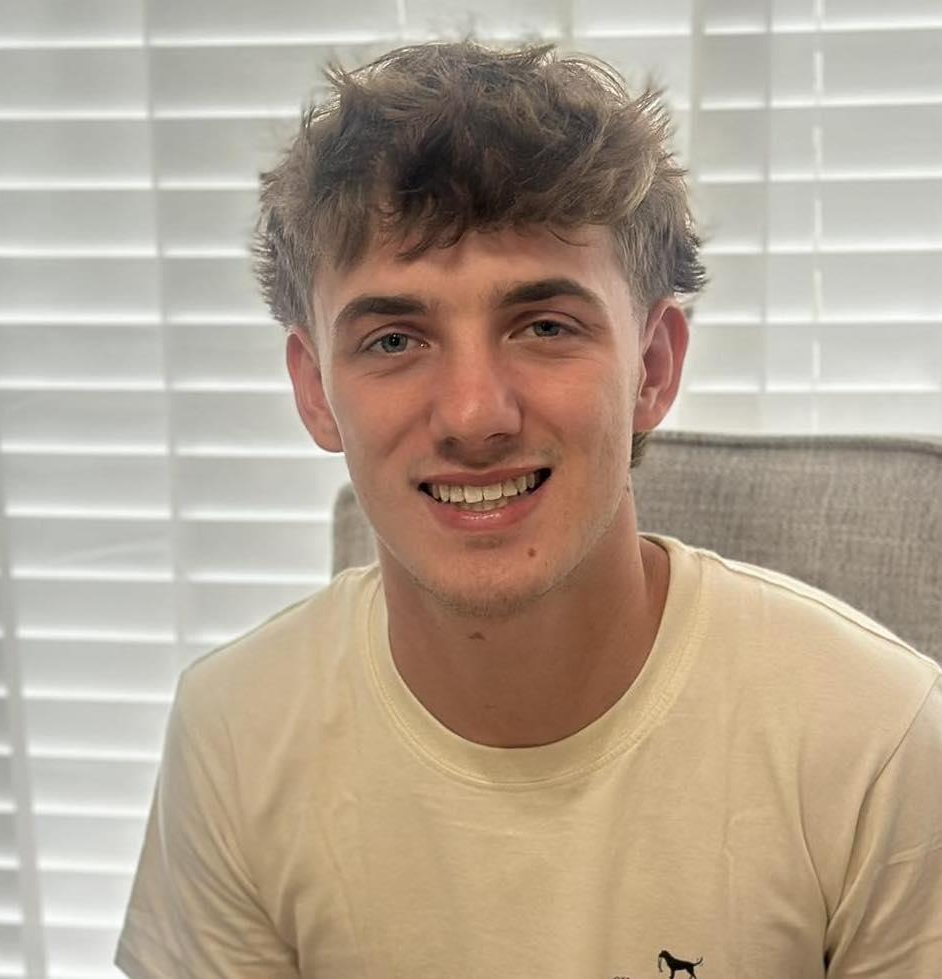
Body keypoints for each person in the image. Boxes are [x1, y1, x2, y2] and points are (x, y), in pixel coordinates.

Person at [115, 40, 942, 978]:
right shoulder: (233, 733)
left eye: (545, 326)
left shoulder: (878, 741)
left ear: (652, 368)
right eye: (394, 339)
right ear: (315, 390)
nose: (474, 415)